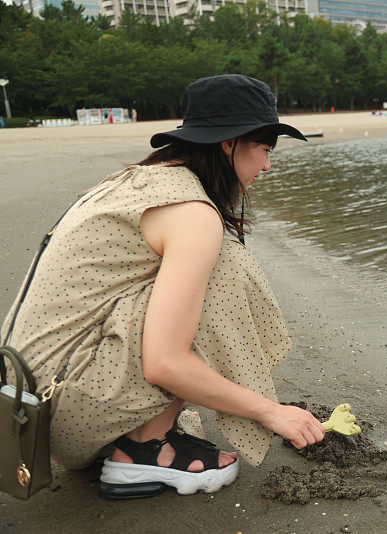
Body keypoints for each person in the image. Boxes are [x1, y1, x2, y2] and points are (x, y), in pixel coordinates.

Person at [1, 74, 326, 498]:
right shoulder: (193, 213)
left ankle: (140, 435)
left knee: (190, 284)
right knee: (225, 270)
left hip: (24, 409)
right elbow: (163, 363)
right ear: (230, 143)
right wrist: (271, 412)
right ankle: (143, 450)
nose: (267, 165)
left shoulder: (141, 179)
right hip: (58, 419)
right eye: (265, 149)